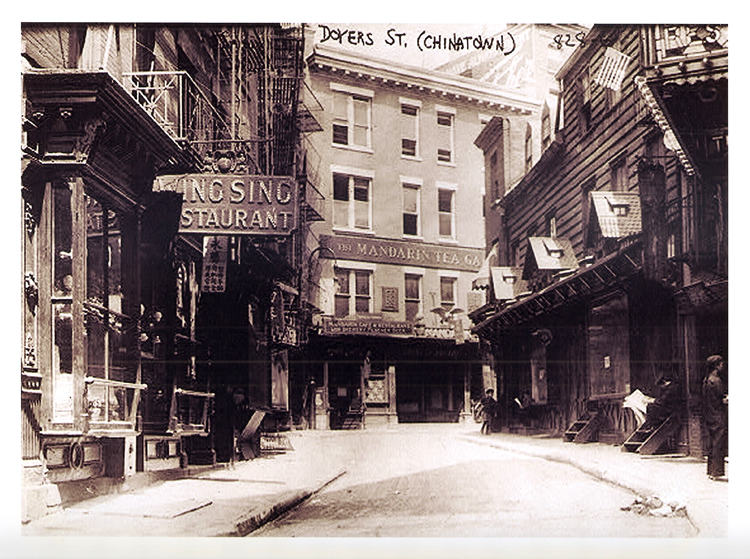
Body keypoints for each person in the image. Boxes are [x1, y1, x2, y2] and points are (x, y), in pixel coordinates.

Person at [702, 355, 728, 480]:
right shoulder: (716, 381)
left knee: (712, 443)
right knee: (718, 443)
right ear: (717, 366)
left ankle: (711, 471)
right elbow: (721, 398)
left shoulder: (706, 380)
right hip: (718, 415)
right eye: (721, 364)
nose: (723, 366)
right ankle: (716, 472)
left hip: (709, 415)